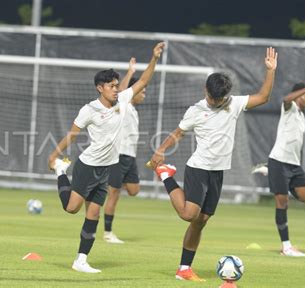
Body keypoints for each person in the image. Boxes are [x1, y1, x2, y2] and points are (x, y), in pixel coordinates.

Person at [148, 47, 278, 282]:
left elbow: (264, 97)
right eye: (212, 97)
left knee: (202, 221)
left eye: (220, 98)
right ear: (205, 90)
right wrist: (160, 150)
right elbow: (178, 133)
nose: (215, 101)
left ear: (226, 95)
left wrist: (270, 71)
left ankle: (184, 269)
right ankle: (166, 175)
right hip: (198, 168)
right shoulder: (196, 110)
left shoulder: (234, 104)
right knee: (189, 214)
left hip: (217, 172)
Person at [48, 42, 165, 273]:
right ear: (100, 88)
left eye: (116, 85)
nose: (116, 89)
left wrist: (154, 59)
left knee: (93, 215)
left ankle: (81, 260)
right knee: (71, 209)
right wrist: (54, 156)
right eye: (112, 86)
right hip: (87, 166)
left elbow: (143, 81)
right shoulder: (89, 110)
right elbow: (72, 135)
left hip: (106, 169)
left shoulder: (122, 101)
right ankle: (62, 172)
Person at [266, 79, 305, 257]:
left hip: (294, 165)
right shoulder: (290, 108)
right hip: (279, 161)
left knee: (304, 196)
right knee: (282, 202)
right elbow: (286, 98)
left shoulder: (301, 115)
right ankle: (286, 247)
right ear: (300, 97)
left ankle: (274, 178)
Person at [103, 58, 145, 244]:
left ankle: (104, 183)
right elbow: (122, 92)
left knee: (134, 190)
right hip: (118, 156)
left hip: (130, 157)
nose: (144, 94)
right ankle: (107, 232)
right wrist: (129, 72)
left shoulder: (133, 110)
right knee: (114, 194)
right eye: (141, 91)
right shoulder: (124, 106)